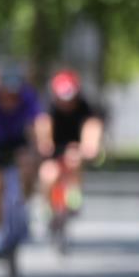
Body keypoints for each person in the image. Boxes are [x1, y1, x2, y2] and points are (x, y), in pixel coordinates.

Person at [0, 67, 42, 254]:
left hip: (18, 141)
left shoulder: (27, 98)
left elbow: (33, 128)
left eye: (14, 95)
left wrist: (35, 154)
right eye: (6, 94)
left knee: (27, 166)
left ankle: (27, 207)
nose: (10, 99)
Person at [34, 69, 103, 214]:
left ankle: (74, 193)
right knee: (48, 174)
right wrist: (44, 143)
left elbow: (92, 126)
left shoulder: (84, 106)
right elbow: (43, 126)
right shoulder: (48, 107)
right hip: (54, 150)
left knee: (74, 159)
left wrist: (90, 146)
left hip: (75, 148)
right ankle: (47, 206)